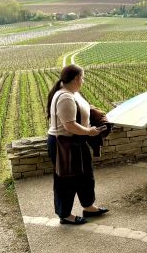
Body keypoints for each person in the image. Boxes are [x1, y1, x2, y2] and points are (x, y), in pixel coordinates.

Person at [46, 64, 110, 225]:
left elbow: (84, 110)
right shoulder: (65, 97)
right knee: (66, 179)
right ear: (76, 78)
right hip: (64, 143)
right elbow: (69, 125)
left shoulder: (72, 93)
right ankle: (65, 214)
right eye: (83, 77)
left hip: (75, 141)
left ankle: (88, 206)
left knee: (85, 175)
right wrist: (89, 132)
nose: (83, 80)